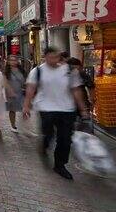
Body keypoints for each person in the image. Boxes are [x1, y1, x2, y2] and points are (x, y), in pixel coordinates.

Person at [23, 47, 89, 180]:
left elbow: (76, 90)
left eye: (57, 56)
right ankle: (45, 143)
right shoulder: (38, 71)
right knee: (48, 133)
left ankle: (60, 165)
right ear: (45, 57)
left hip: (67, 109)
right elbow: (30, 89)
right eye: (51, 57)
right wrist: (26, 106)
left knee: (65, 139)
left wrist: (83, 109)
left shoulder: (70, 71)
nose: (54, 60)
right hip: (46, 108)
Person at [4, 55, 25, 133]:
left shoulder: (21, 70)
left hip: (20, 92)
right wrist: (9, 90)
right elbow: (4, 82)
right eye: (11, 60)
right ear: (8, 62)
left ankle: (24, 123)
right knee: (12, 110)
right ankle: (13, 125)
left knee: (21, 108)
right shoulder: (6, 71)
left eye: (14, 60)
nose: (13, 62)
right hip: (11, 93)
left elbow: (24, 80)